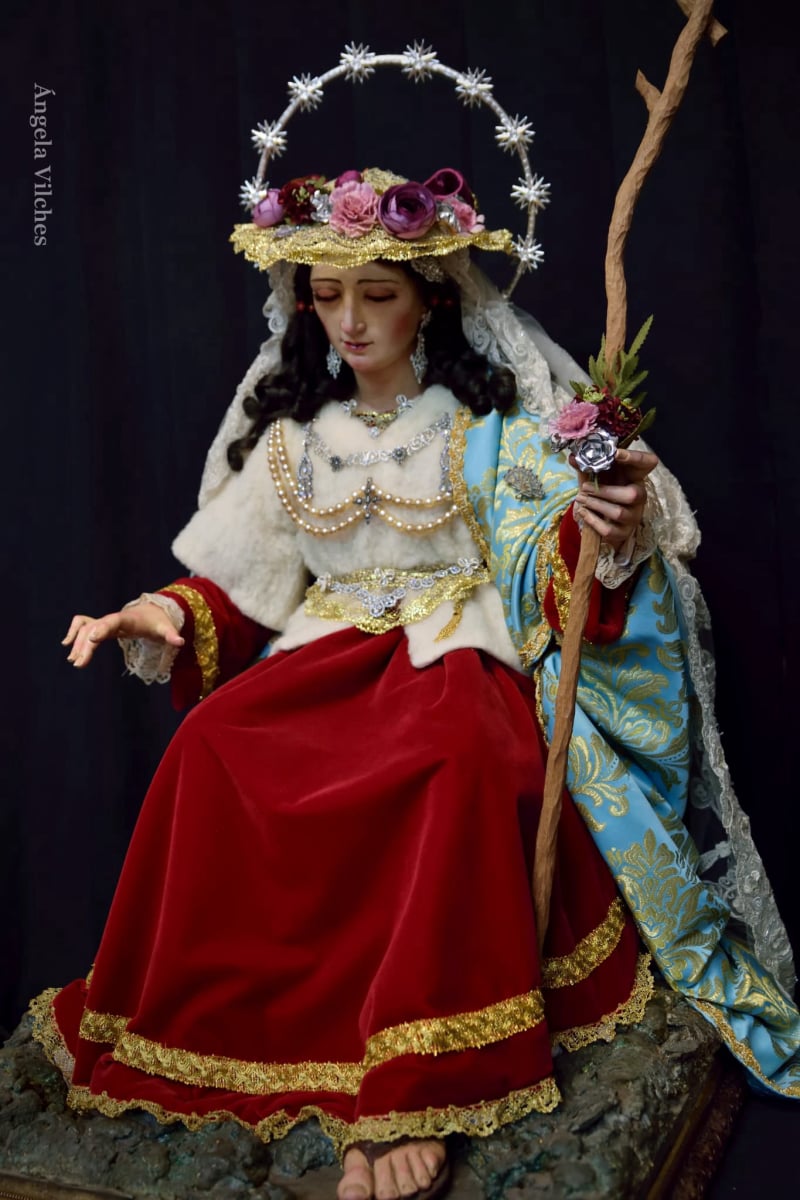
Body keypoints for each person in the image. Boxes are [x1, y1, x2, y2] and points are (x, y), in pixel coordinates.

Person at [35, 167, 800, 1200]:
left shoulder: (486, 428)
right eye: (328, 295)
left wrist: (601, 529)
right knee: (208, 747)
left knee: (451, 765)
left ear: (430, 297)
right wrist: (159, 612)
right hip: (322, 655)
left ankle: (418, 1081)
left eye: (377, 294)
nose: (351, 321)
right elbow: (243, 582)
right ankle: (259, 1024)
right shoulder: (296, 439)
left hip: (453, 658)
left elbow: (545, 561)